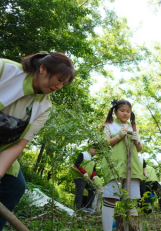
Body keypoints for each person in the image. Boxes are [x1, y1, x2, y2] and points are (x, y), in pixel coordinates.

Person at [0, 52, 75, 230]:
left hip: (3, 149)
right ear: (43, 68)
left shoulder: (44, 107)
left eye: (64, 84)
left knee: (15, 186)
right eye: (59, 79)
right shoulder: (5, 70)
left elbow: (19, 145)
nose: (59, 86)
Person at [101, 100, 143, 231]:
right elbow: (104, 144)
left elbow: (139, 149)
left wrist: (137, 141)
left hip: (133, 167)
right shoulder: (109, 126)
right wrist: (118, 137)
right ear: (115, 112)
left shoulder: (133, 127)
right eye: (122, 111)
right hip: (115, 166)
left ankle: (133, 228)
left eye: (128, 111)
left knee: (132, 200)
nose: (125, 114)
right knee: (110, 198)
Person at [72, 144, 98, 213]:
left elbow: (94, 170)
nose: (96, 152)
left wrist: (94, 176)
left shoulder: (93, 159)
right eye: (95, 150)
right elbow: (77, 164)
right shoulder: (83, 154)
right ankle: (77, 209)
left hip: (87, 178)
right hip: (79, 176)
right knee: (80, 190)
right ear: (91, 148)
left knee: (93, 189)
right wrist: (84, 172)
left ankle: (87, 207)